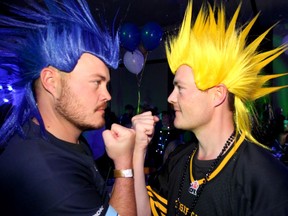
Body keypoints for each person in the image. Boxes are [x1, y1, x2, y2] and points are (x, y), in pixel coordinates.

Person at [132, 1, 288, 216]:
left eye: (180, 88)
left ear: (217, 95)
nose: (170, 97)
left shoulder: (263, 175)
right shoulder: (180, 158)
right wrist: (137, 152)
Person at [0, 0, 136, 215]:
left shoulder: (55, 137)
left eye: (107, 84)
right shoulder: (51, 178)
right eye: (96, 82)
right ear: (51, 81)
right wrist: (124, 163)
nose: (107, 95)